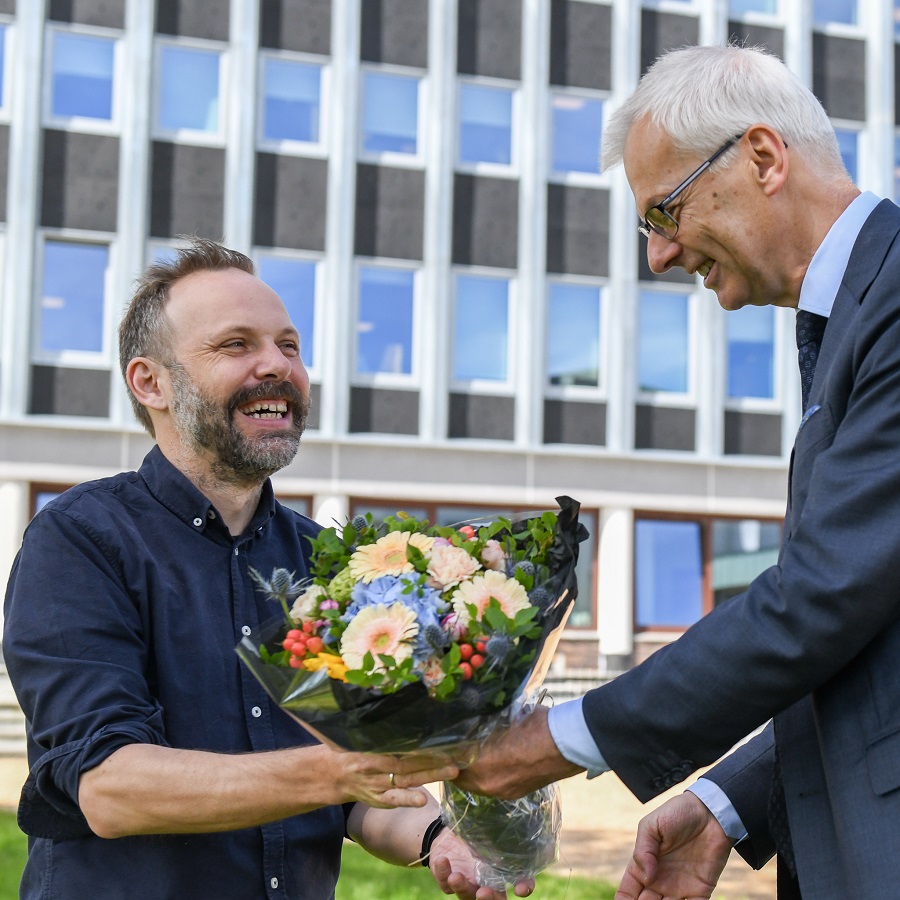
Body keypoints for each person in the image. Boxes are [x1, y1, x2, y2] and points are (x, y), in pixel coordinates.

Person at [454, 43, 900, 899]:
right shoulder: (851, 318)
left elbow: (822, 599)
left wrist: (555, 740)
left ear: (762, 159)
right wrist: (732, 802)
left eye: (664, 213)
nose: (658, 257)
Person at [2, 238, 533, 900]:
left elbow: (352, 795)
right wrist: (338, 772)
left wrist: (438, 838)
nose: (277, 366)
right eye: (236, 345)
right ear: (151, 382)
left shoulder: (328, 565)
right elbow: (109, 787)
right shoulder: (79, 541)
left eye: (289, 346)